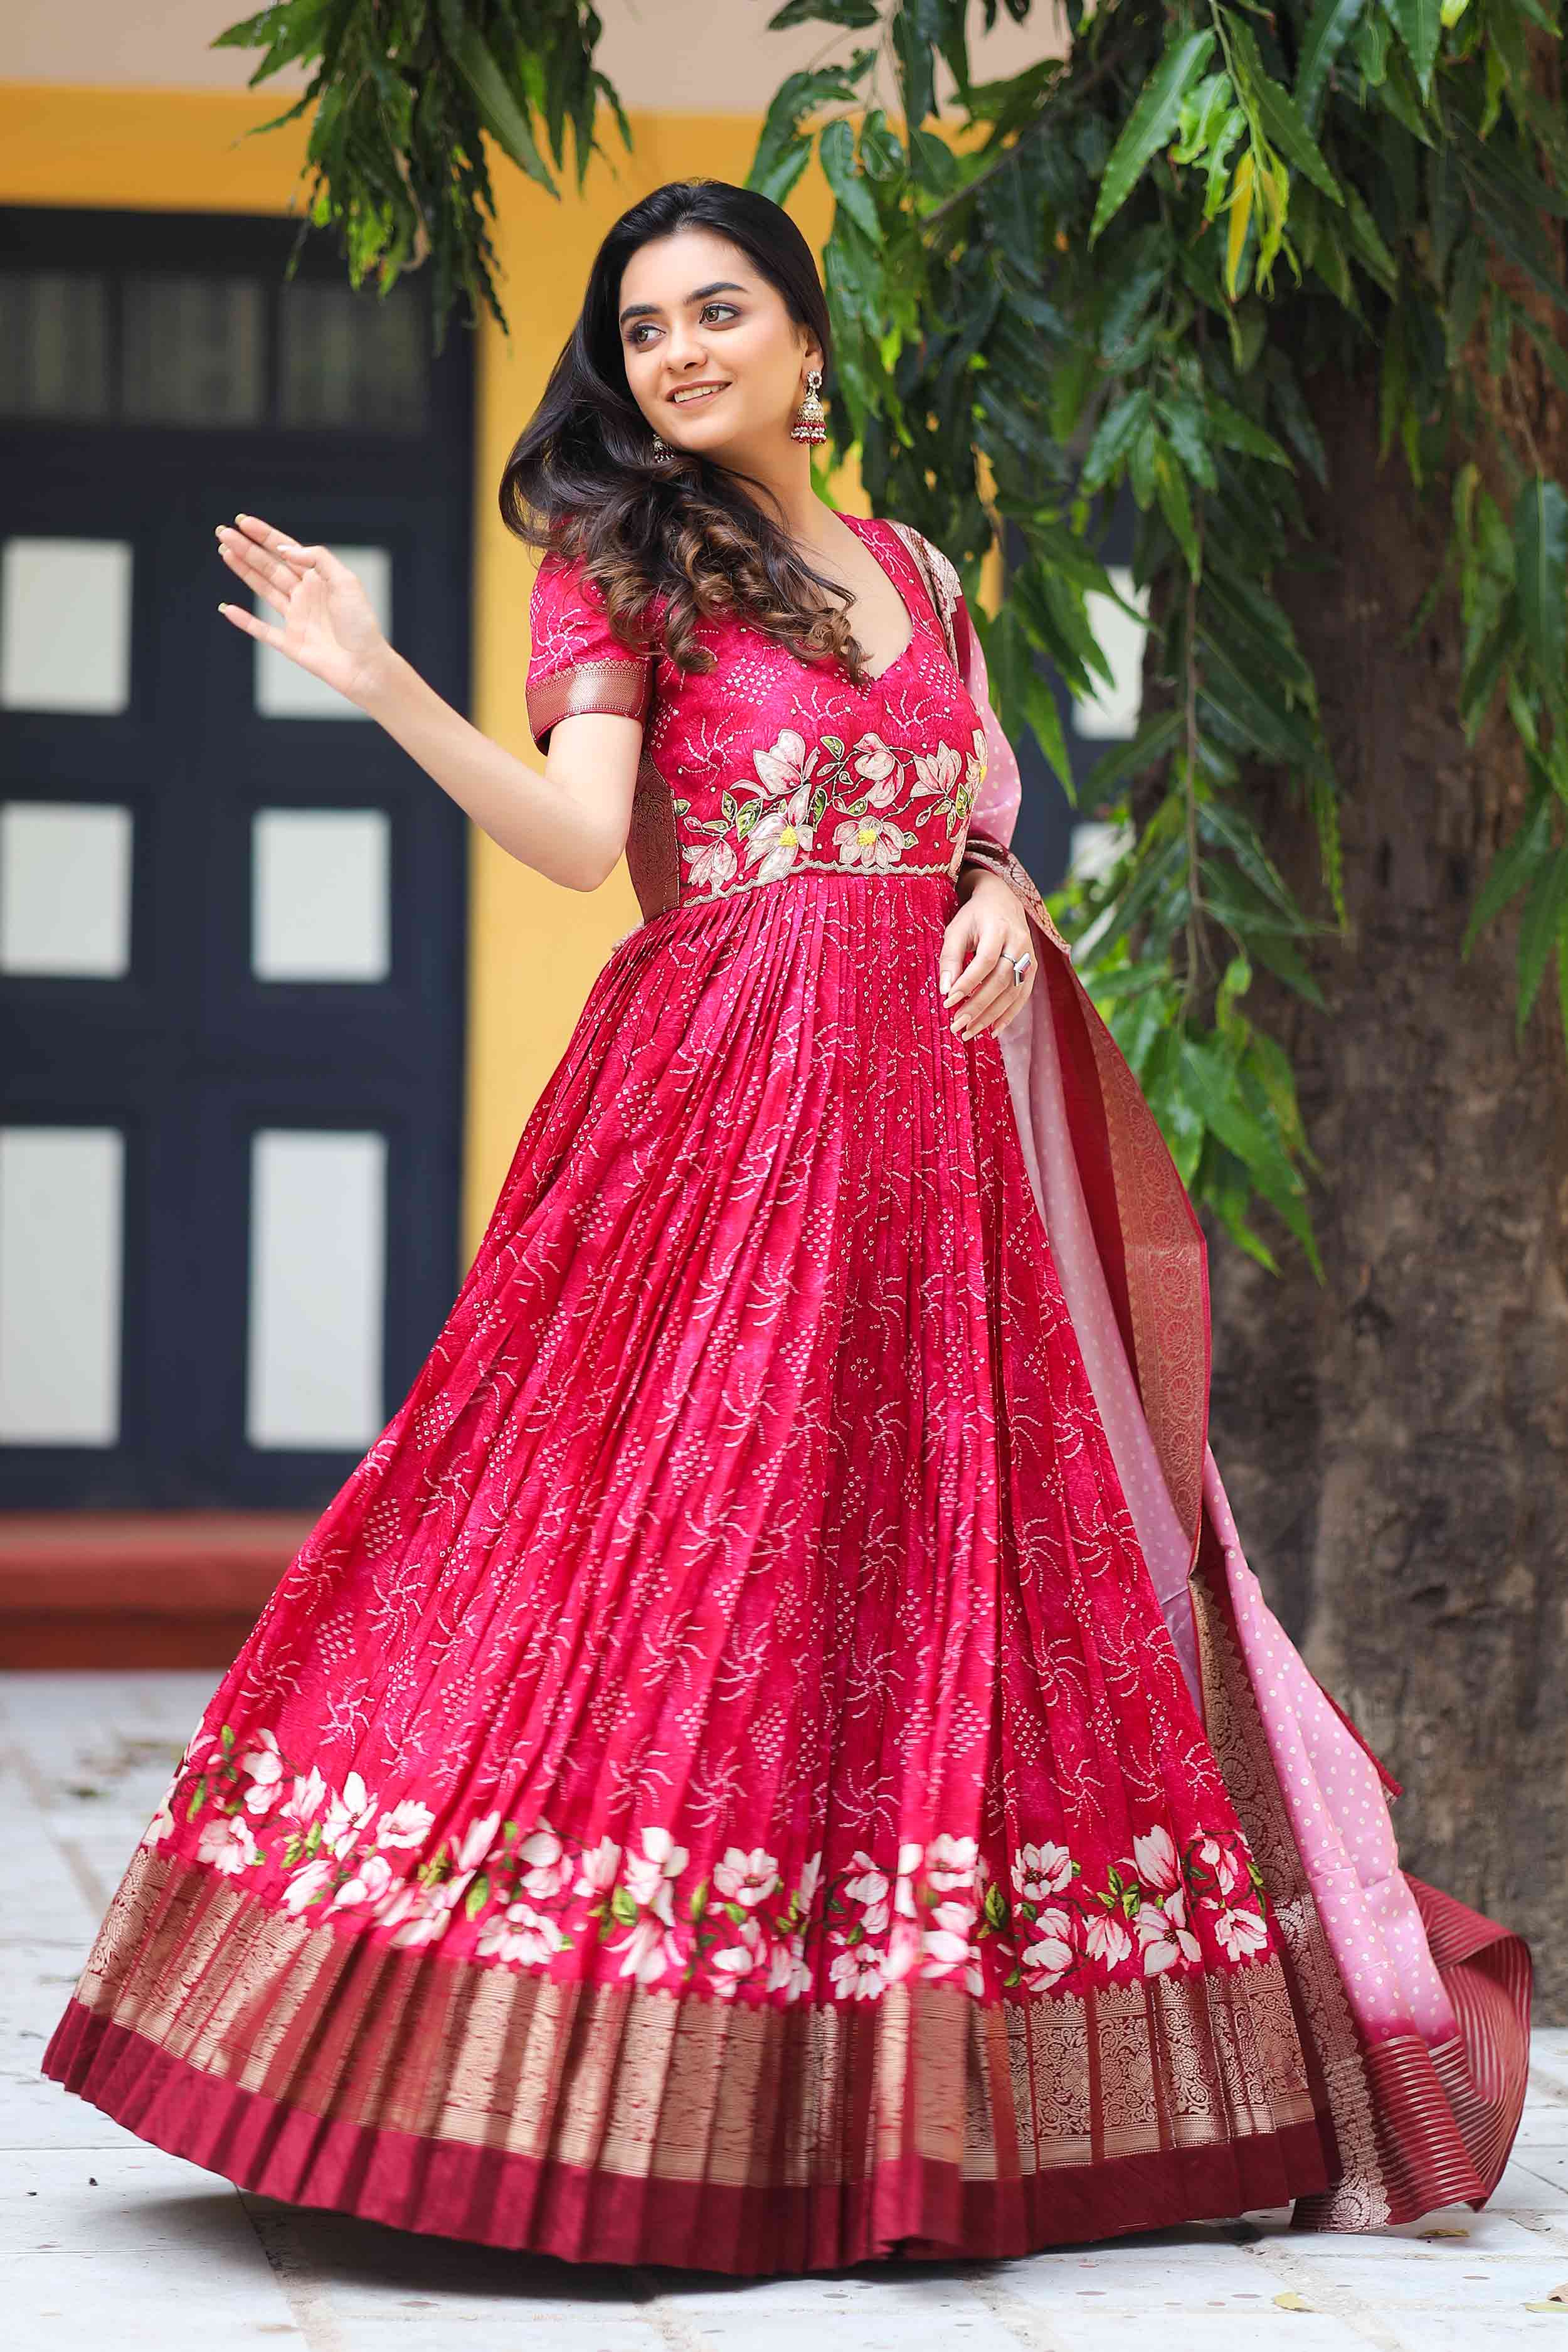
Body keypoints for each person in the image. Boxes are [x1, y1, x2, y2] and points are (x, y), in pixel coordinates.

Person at [43, 177, 1530, 2276]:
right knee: (684, 1554)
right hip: (720, 1108)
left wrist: (999, 899)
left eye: (716, 310)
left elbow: (976, 811)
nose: (676, 353)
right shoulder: (623, 561)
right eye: (642, 329)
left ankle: (916, 2105)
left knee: (925, 1568)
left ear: (806, 341)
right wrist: (380, 677)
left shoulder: (919, 565)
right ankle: (592, 2098)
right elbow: (577, 843)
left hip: (927, 1141)